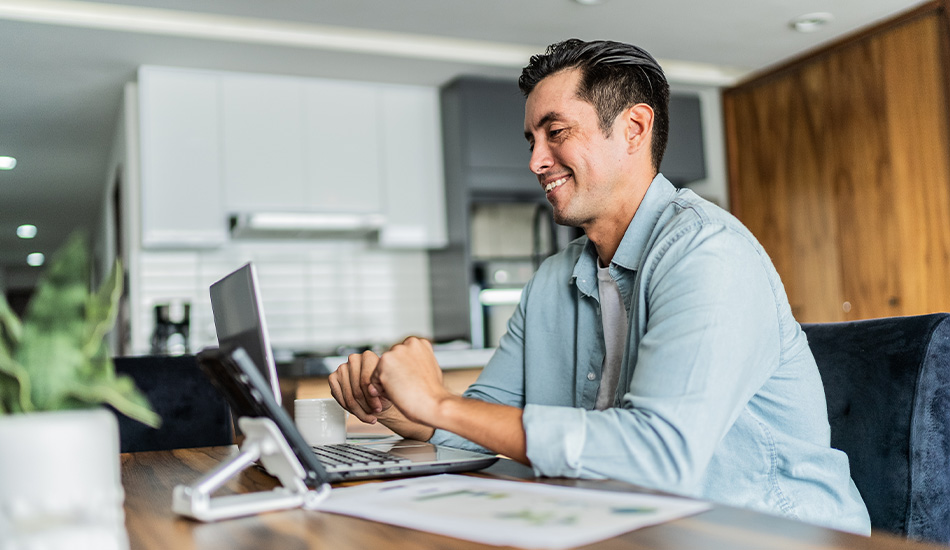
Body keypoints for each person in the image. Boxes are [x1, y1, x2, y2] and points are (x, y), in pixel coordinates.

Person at [328, 38, 871, 534]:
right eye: (532, 139)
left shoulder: (708, 253)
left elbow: (660, 455)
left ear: (634, 129)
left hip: (768, 535)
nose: (536, 161)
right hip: (627, 525)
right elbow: (485, 417)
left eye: (556, 132)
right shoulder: (550, 281)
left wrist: (440, 404)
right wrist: (405, 409)